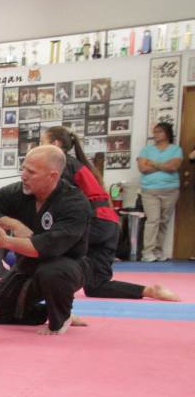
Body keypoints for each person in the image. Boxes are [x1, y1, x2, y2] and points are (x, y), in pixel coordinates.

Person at [42, 125, 178, 302]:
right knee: (96, 286)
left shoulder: (63, 164)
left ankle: (51, 302)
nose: (39, 147)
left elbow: (59, 199)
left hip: (95, 223)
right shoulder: (76, 164)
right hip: (109, 225)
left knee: (47, 248)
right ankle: (150, 291)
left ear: (55, 144)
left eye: (42, 142)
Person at [0, 146, 90, 335]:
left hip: (66, 266)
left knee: (52, 272)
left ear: (52, 176)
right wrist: (13, 224)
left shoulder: (74, 203)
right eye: (23, 168)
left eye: (31, 172)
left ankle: (61, 316)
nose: (23, 176)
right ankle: (47, 312)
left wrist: (6, 241)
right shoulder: (18, 192)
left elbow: (46, 246)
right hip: (26, 267)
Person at [136, 122, 183, 262]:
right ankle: (147, 252)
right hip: (150, 190)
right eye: (155, 132)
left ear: (167, 133)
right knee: (153, 220)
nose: (155, 134)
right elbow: (143, 168)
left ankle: (158, 250)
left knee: (163, 221)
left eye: (159, 132)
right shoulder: (146, 150)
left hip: (170, 190)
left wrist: (153, 163)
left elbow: (173, 167)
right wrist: (164, 165)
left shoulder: (176, 149)